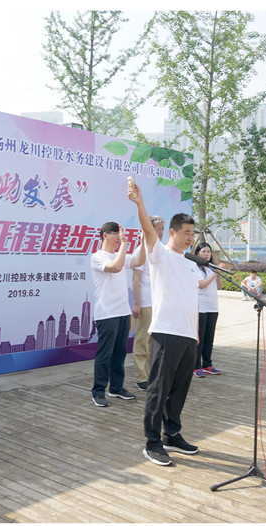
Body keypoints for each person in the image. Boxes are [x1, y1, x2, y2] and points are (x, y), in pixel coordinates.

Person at [127, 179, 200, 467]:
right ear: (172, 232)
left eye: (193, 233)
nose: (190, 237)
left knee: (179, 389)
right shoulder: (160, 255)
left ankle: (172, 434)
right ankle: (152, 442)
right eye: (186, 232)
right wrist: (140, 204)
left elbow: (191, 300)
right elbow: (147, 230)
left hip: (188, 335)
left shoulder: (191, 262)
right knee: (159, 389)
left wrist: (195, 335)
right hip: (166, 332)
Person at [89, 222, 145, 407]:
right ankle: (98, 391)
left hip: (123, 312)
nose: (119, 239)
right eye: (116, 234)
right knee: (105, 353)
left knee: (120, 353)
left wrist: (144, 243)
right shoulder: (97, 257)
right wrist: (125, 245)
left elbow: (139, 261)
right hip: (106, 313)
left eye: (120, 235)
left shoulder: (120, 255)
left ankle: (116, 388)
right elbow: (115, 267)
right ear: (105, 235)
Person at [131, 216, 164, 391]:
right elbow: (135, 279)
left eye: (162, 228)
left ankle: (153, 374)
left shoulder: (162, 250)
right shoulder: (141, 250)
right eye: (158, 228)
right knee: (142, 341)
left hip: (159, 303)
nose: (161, 232)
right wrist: (136, 303)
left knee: (155, 342)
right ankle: (141, 377)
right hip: (145, 303)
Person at [193, 242, 223, 378]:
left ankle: (207, 364)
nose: (206, 254)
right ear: (197, 253)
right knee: (200, 338)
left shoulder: (212, 267)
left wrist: (218, 274)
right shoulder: (195, 267)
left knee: (209, 338)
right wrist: (215, 274)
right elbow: (202, 285)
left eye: (208, 251)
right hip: (201, 307)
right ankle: (196, 366)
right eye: (203, 251)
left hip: (213, 306)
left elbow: (220, 286)